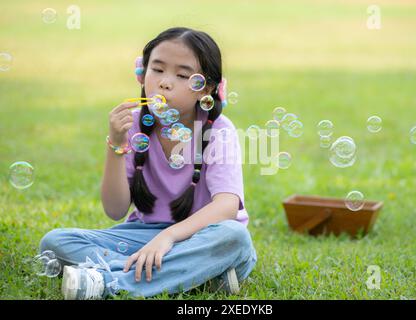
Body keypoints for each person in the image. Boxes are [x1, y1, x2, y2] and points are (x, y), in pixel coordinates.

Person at [39, 27, 257, 300]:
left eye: (182, 75)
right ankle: (198, 274)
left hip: (203, 237)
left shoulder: (219, 130)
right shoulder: (134, 125)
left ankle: (111, 283)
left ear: (208, 89)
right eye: (157, 69)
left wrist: (168, 239)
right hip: (143, 234)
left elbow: (226, 207)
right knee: (56, 242)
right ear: (142, 75)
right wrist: (117, 146)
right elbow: (115, 210)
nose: (165, 82)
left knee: (234, 237)